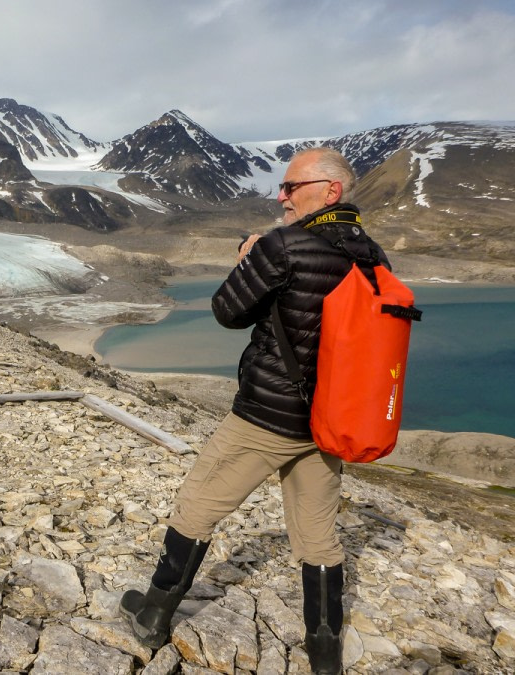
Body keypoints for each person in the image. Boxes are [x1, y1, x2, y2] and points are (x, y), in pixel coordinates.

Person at [120, 147, 390, 675]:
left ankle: (154, 614)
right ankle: (325, 650)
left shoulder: (284, 245)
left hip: (267, 416)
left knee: (198, 503)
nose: (281, 196)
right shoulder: (371, 253)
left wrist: (252, 257)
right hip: (330, 421)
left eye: (292, 187)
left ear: (329, 191)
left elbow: (227, 311)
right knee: (317, 533)